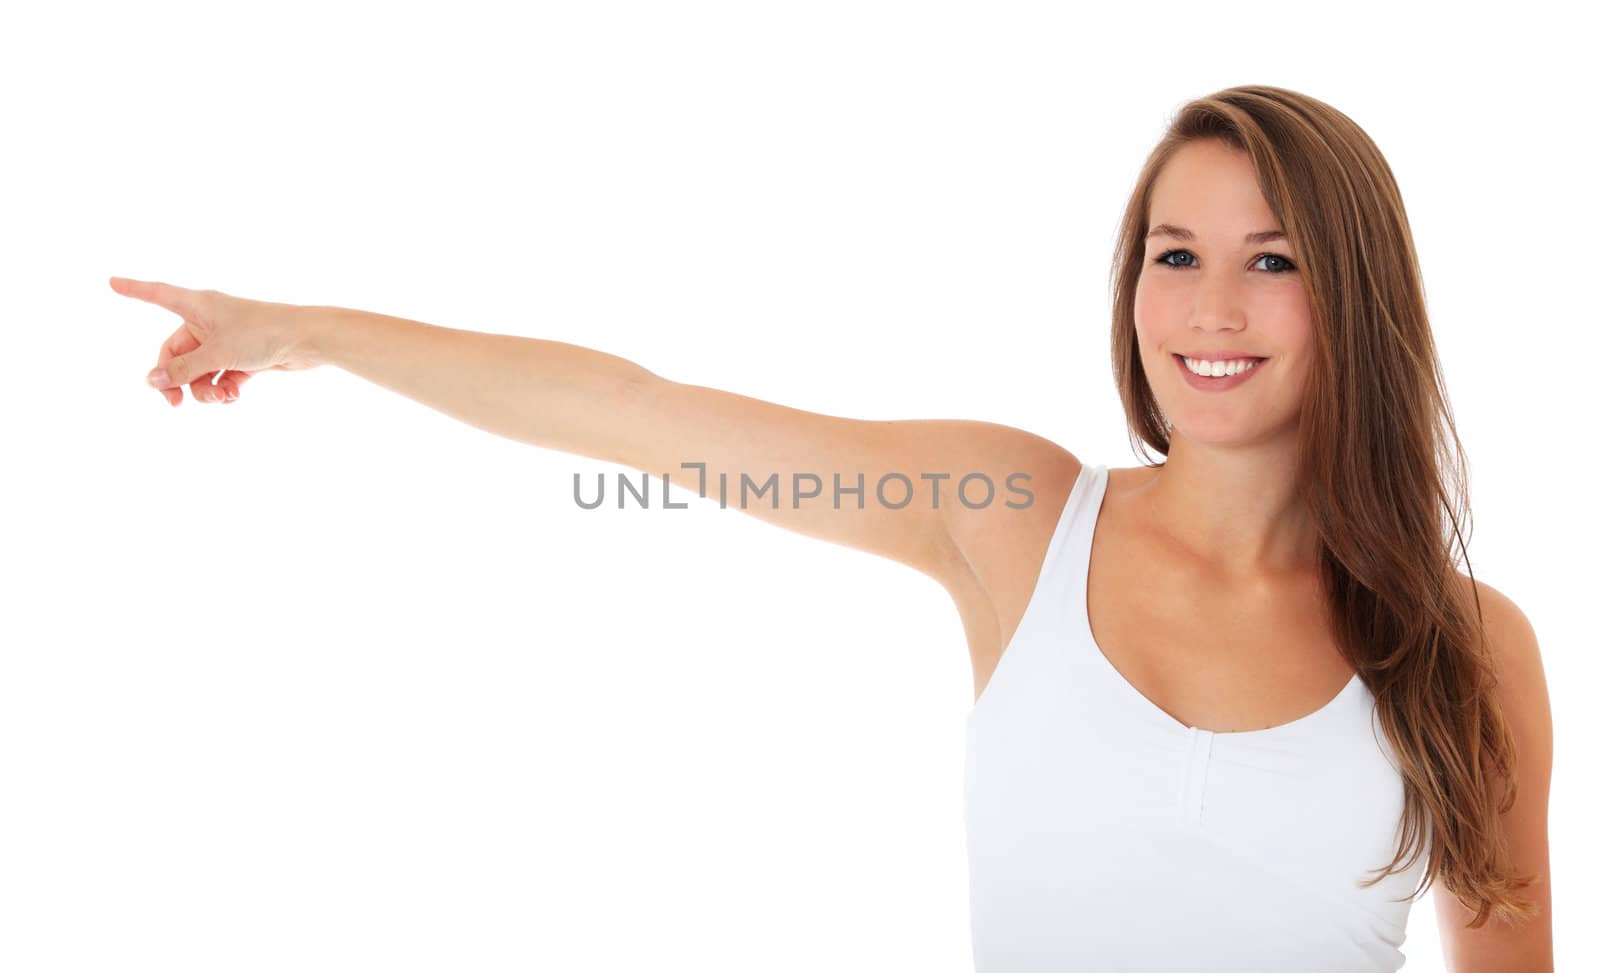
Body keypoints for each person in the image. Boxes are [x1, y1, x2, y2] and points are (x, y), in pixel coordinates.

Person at [114, 84, 1553, 972]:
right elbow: (637, 412)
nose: (1212, 310)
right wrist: (311, 332)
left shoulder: (1467, 646)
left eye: (1274, 260)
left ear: (1354, 292)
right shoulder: (1014, 519)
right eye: (1175, 256)